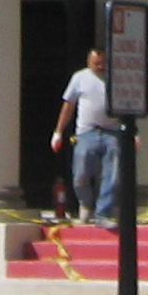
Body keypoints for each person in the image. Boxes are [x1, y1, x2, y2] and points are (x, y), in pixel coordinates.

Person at [51, 47, 120, 226]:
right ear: (89, 62)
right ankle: (85, 204)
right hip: (86, 132)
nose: (100, 67)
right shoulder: (80, 78)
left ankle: (103, 212)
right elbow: (68, 106)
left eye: (103, 63)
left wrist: (133, 133)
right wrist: (58, 132)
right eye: (96, 63)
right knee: (80, 172)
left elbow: (127, 105)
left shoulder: (116, 78)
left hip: (112, 131)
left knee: (112, 173)